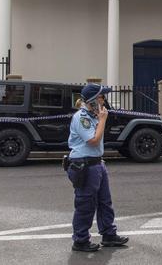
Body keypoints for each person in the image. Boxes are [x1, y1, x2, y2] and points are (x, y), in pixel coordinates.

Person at [66, 83, 128, 252]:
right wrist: (102, 119)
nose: (104, 100)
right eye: (101, 97)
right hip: (85, 165)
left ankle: (108, 234)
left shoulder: (92, 116)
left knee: (104, 201)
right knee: (85, 204)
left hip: (96, 163)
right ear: (93, 100)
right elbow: (93, 140)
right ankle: (80, 240)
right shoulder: (82, 117)